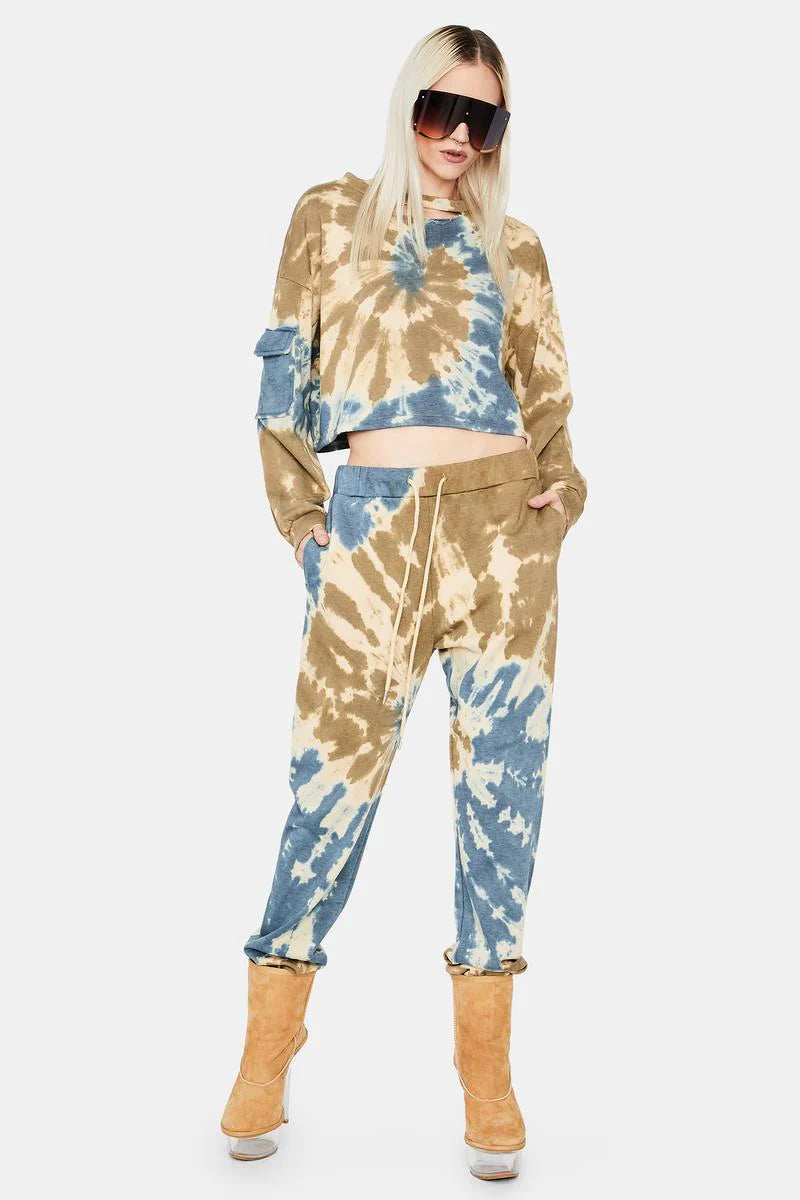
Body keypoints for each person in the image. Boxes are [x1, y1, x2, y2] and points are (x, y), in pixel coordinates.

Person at [220, 23, 587, 1182]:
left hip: (503, 537)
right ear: (406, 102)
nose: (460, 136)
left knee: (502, 804)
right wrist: (303, 522)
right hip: (371, 536)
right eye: (442, 108)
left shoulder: (515, 246)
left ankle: (488, 1078)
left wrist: (561, 496)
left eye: (485, 119)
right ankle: (267, 1051)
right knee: (324, 798)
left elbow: (551, 401)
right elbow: (282, 376)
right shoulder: (330, 217)